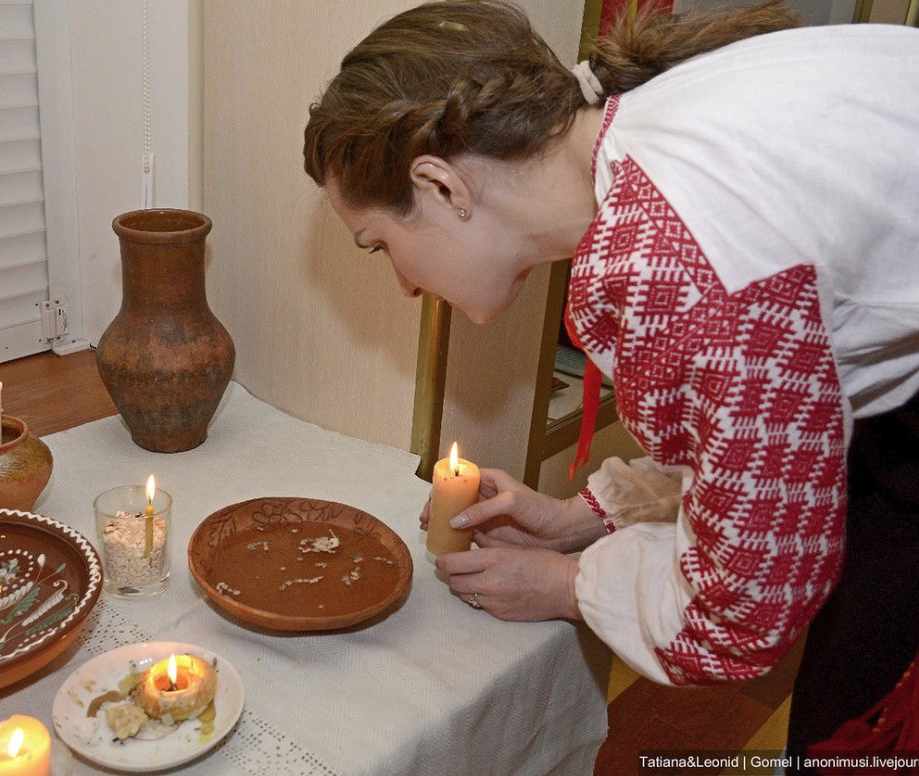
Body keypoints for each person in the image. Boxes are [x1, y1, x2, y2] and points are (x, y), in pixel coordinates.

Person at [303, 0, 919, 768]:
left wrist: (571, 586)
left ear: (441, 186)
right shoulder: (646, 140)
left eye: (379, 245)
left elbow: (739, 617)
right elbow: (748, 422)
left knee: (856, 737)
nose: (400, 284)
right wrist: (586, 517)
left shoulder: (682, 268)